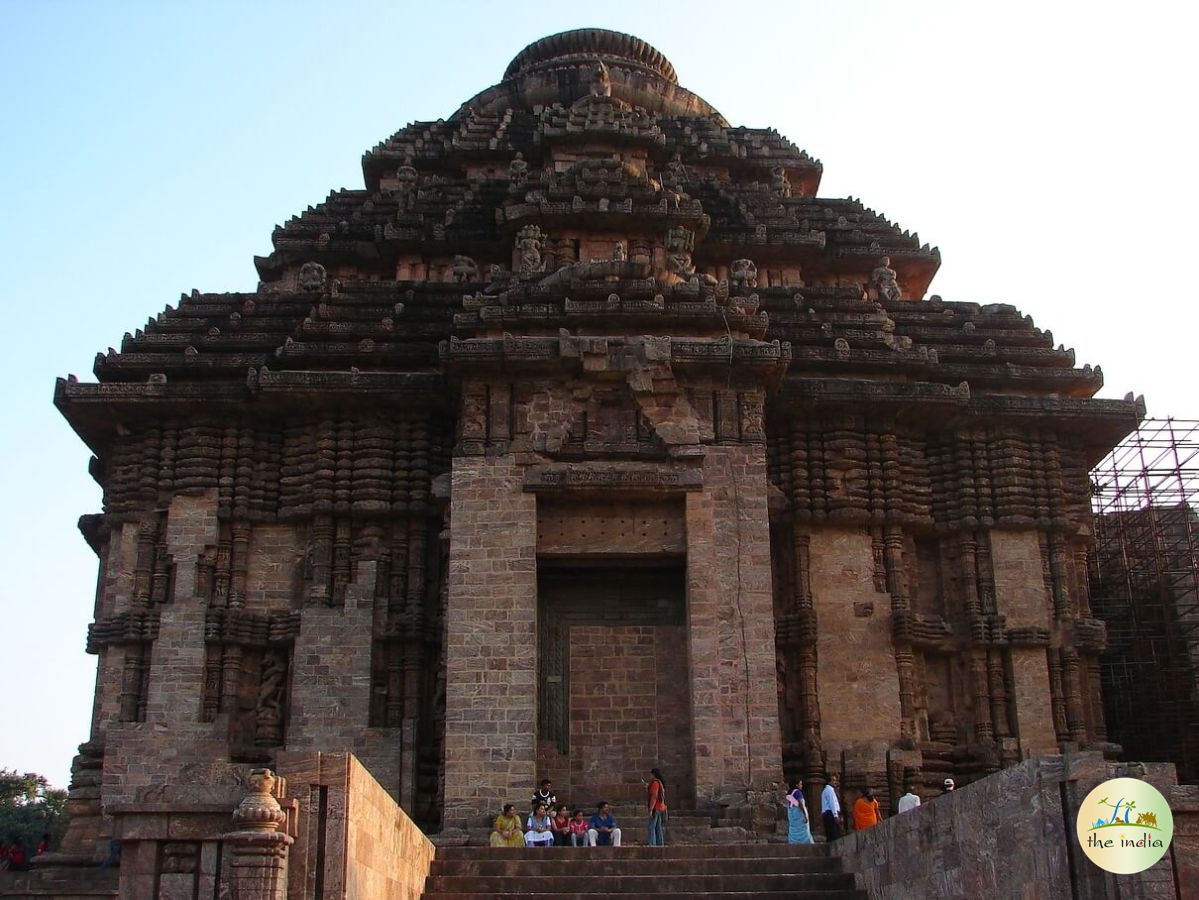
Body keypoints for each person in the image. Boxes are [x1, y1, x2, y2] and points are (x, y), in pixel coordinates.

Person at [783, 779, 813, 844]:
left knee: (794, 830)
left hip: (792, 814)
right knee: (803, 829)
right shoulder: (798, 792)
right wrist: (805, 815)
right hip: (798, 814)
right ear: (796, 785)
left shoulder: (790, 793)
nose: (801, 785)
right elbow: (801, 804)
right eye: (800, 784)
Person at [647, 767, 667, 847]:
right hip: (660, 808)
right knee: (658, 827)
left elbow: (654, 796)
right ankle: (660, 844)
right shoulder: (660, 783)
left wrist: (651, 809)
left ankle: (652, 845)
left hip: (656, 808)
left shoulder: (655, 783)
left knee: (651, 827)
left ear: (653, 774)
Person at [821, 773, 843, 841]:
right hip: (830, 813)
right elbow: (832, 803)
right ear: (829, 781)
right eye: (833, 780)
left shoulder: (825, 790)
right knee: (834, 834)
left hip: (827, 814)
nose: (835, 782)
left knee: (830, 834)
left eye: (835, 780)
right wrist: (836, 815)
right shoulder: (830, 790)